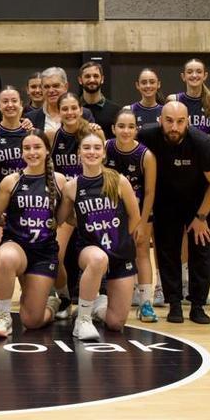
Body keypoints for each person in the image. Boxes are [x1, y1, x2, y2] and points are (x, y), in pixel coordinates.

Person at [137, 101, 210, 324]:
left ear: (188, 121)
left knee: (201, 253)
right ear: (160, 120)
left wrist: (201, 217)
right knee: (167, 253)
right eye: (169, 121)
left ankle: (197, 305)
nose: (174, 126)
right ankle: (174, 304)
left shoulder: (202, 143)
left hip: (199, 203)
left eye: (180, 121)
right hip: (166, 202)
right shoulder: (147, 136)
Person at [60, 132, 142, 340]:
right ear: (79, 153)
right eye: (86, 148)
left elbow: (135, 217)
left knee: (116, 323)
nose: (91, 152)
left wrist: (121, 238)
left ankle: (97, 306)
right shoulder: (72, 186)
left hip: (120, 252)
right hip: (90, 249)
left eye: (97, 148)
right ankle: (83, 320)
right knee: (98, 258)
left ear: (104, 153)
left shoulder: (118, 180)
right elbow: (61, 218)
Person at [0, 131, 67, 338]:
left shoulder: (60, 181)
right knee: (5, 257)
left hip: (44, 253)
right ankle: (3, 317)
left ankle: (52, 303)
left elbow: (63, 218)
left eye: (37, 147)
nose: (32, 152)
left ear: (47, 150)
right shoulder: (11, 181)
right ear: (21, 152)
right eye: (27, 148)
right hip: (17, 245)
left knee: (31, 321)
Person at [104, 108, 158, 322]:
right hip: (110, 212)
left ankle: (146, 303)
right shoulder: (106, 148)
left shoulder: (146, 155)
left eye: (130, 127)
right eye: (121, 126)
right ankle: (107, 298)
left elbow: (150, 192)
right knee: (110, 252)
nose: (126, 131)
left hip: (138, 211)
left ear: (137, 129)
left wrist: (143, 223)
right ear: (113, 129)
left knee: (141, 250)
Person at [168, 59, 210, 136]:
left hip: (207, 147)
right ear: (183, 76)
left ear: (205, 76)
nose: (194, 75)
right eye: (189, 72)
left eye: (199, 72)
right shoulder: (174, 100)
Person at [48, 93, 93, 179]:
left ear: (81, 110)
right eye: (65, 109)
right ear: (59, 112)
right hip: (62, 189)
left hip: (87, 188)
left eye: (74, 108)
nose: (69, 112)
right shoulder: (51, 135)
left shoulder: (93, 132)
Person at [78, 62, 121, 139]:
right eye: (87, 76)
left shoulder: (116, 111)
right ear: (80, 80)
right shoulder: (74, 110)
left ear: (102, 79)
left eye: (96, 76)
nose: (92, 80)